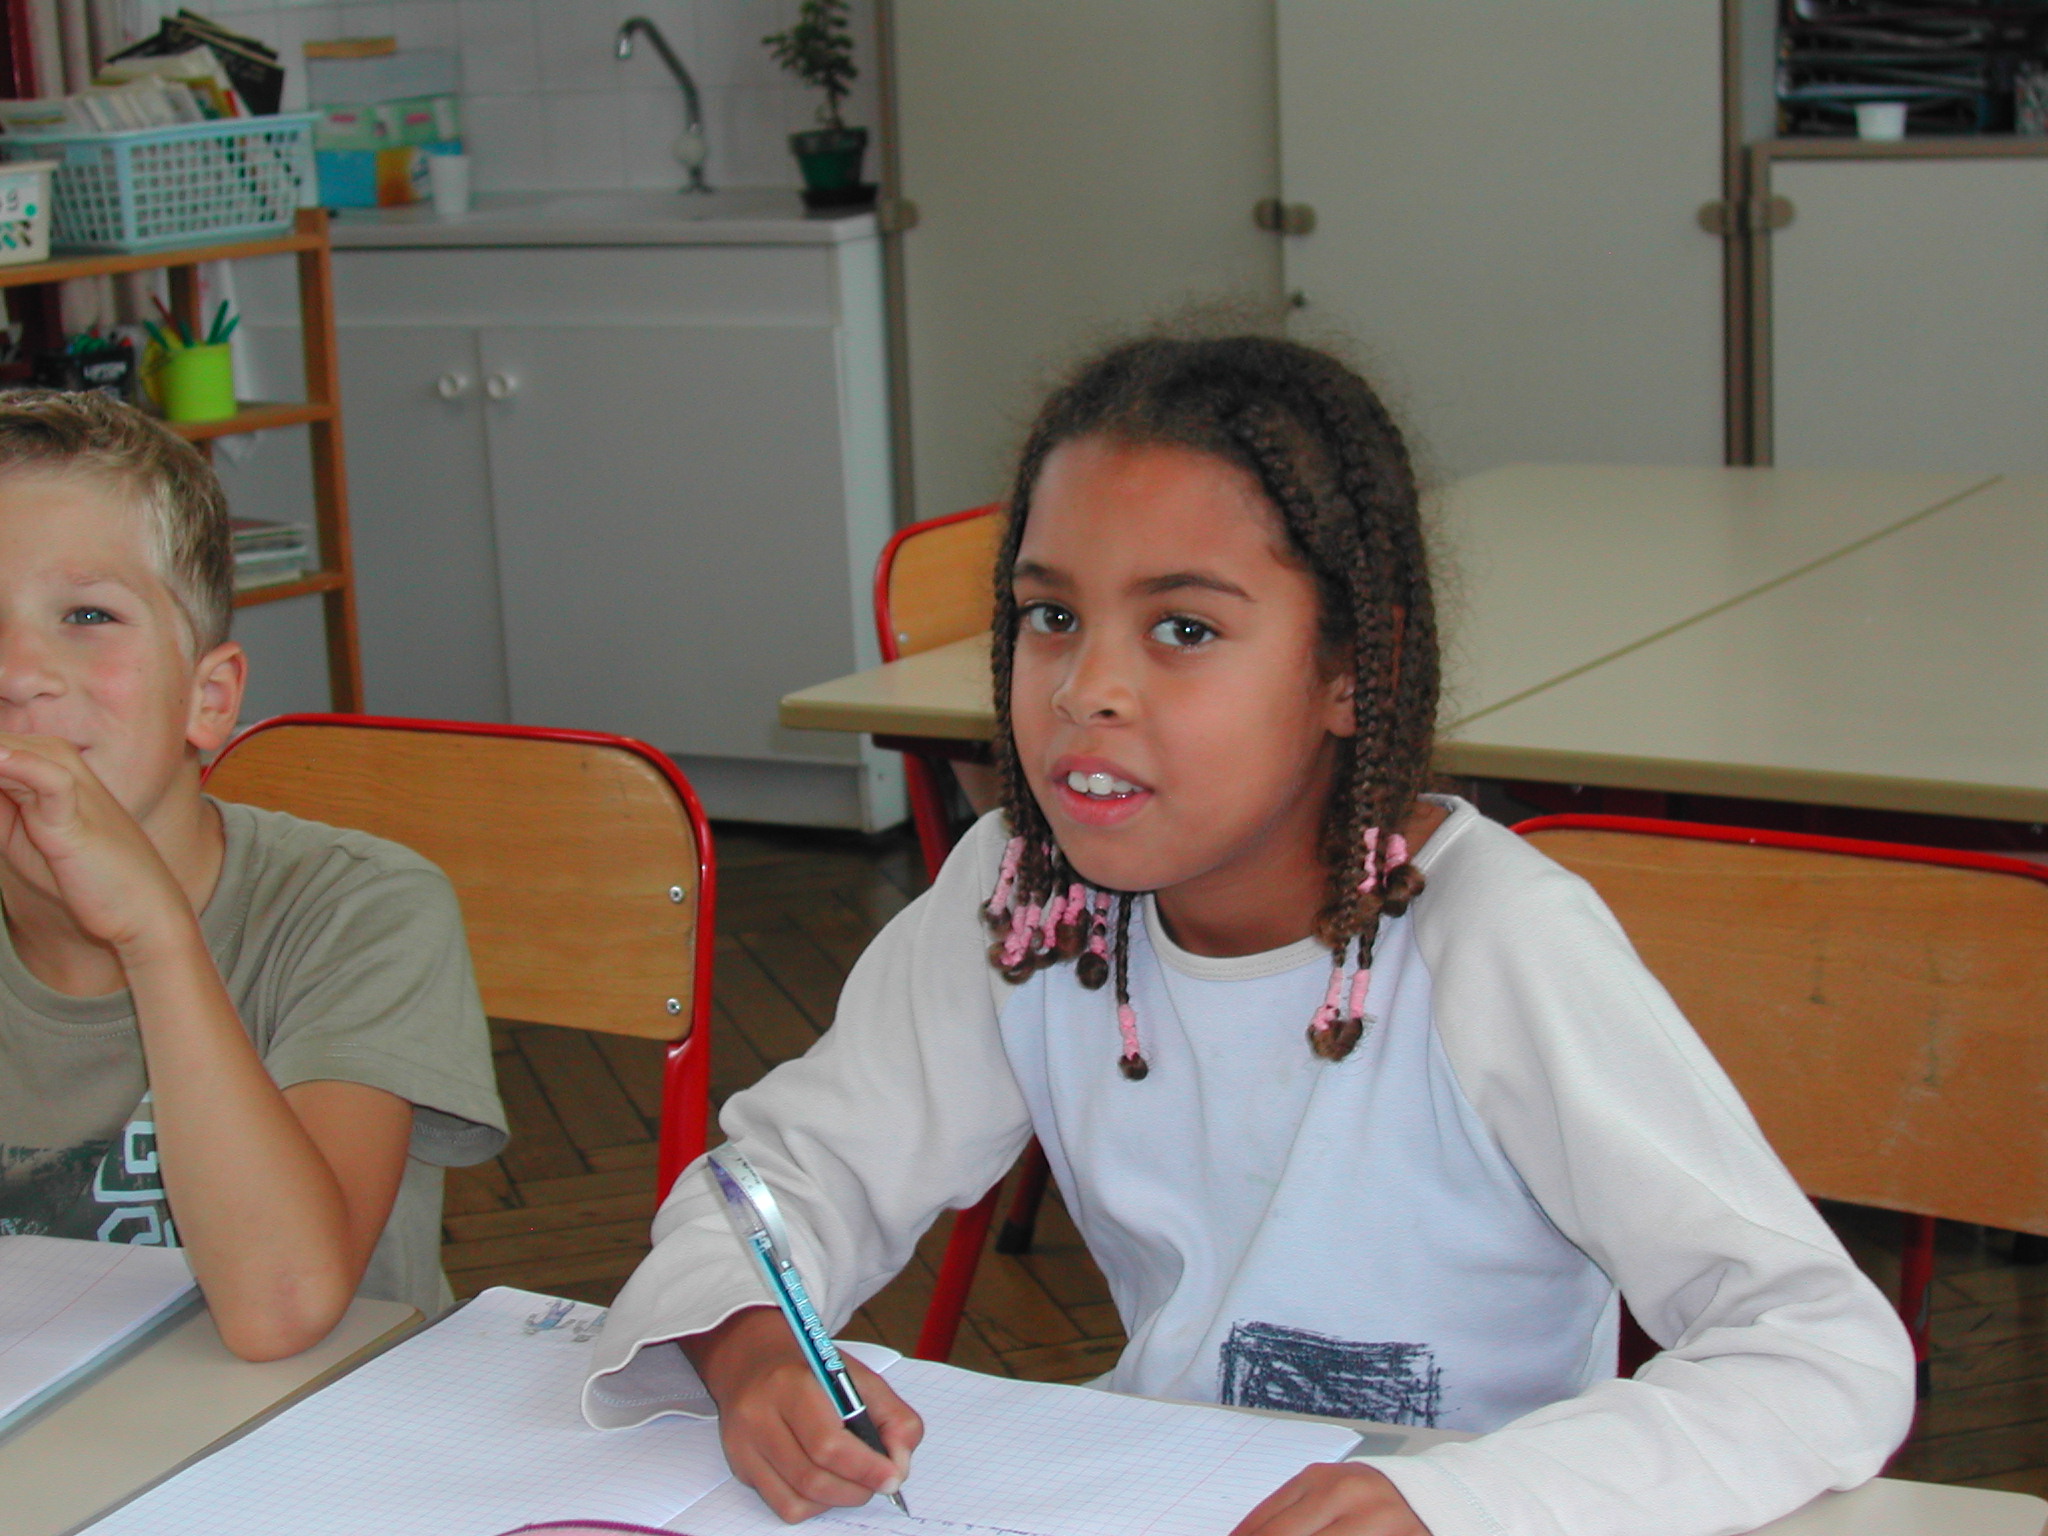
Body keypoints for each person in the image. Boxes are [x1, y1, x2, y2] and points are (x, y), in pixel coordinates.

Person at [583, 336, 1914, 1536]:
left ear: (1349, 669)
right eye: (1051, 616)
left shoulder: (1494, 943)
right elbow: (782, 1185)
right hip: (1157, 1487)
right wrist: (748, 1343)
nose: (1087, 689)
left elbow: (1818, 1349)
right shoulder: (1026, 901)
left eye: (1183, 629)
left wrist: (1457, 1504)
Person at [0, 390, 505, 1360]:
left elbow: (284, 1307)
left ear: (209, 698)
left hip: (312, 1428)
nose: (19, 672)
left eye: (89, 614)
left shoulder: (360, 911)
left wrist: (153, 934)